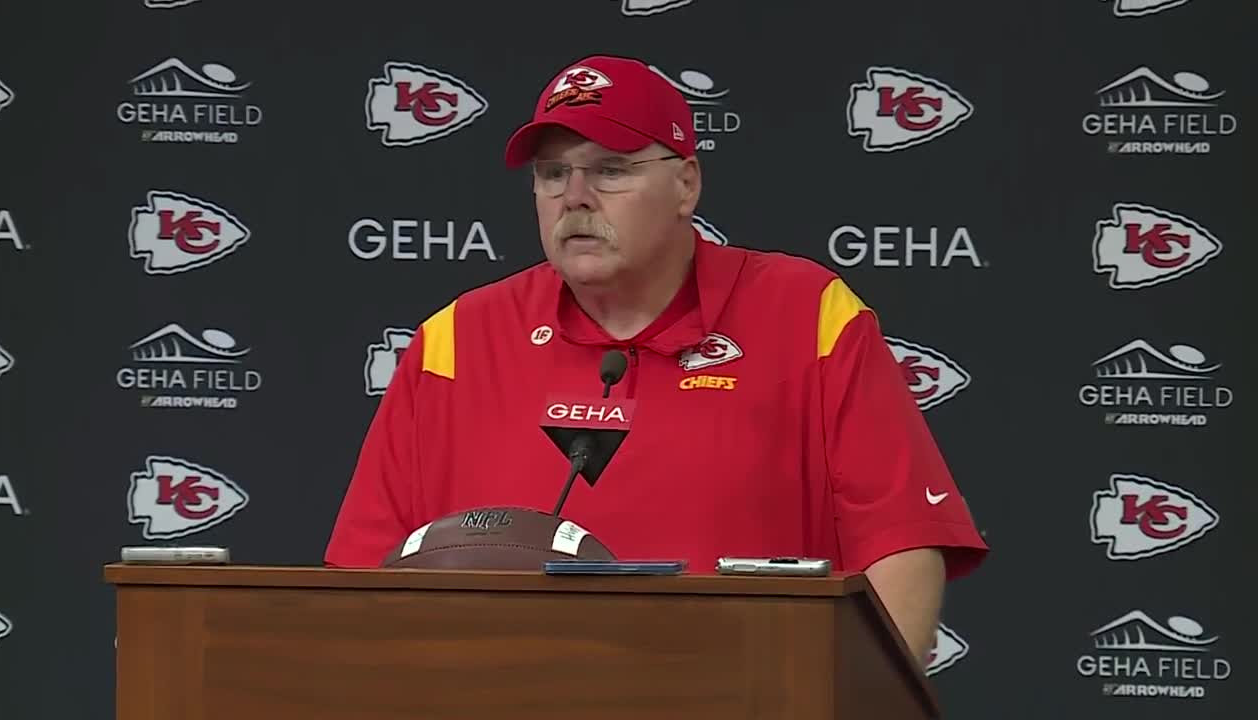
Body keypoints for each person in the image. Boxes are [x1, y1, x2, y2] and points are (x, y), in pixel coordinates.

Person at [324, 54, 989, 662]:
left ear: (686, 185)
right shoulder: (456, 339)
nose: (574, 196)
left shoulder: (810, 315)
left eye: (610, 169)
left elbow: (900, 550)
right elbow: (358, 583)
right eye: (553, 173)